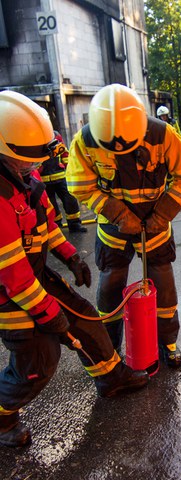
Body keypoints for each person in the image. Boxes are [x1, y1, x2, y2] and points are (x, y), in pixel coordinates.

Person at [0, 91, 149, 448]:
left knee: (85, 318)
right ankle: (3, 418)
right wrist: (49, 315)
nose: (34, 167)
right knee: (39, 360)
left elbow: (46, 227)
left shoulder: (25, 184)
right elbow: (13, 274)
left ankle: (110, 377)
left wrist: (71, 256)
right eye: (25, 161)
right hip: (7, 294)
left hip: (32, 277)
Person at [66, 84, 181, 369]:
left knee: (163, 286)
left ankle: (167, 342)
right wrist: (115, 212)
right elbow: (79, 184)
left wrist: (162, 213)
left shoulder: (162, 134)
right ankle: (109, 347)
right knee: (111, 284)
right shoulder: (85, 139)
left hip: (155, 225)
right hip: (113, 230)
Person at [38, 130, 88, 233]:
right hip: (44, 180)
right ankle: (57, 226)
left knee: (70, 199)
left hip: (61, 177)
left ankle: (74, 224)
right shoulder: (34, 139)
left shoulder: (55, 135)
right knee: (50, 205)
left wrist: (69, 169)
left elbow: (64, 154)